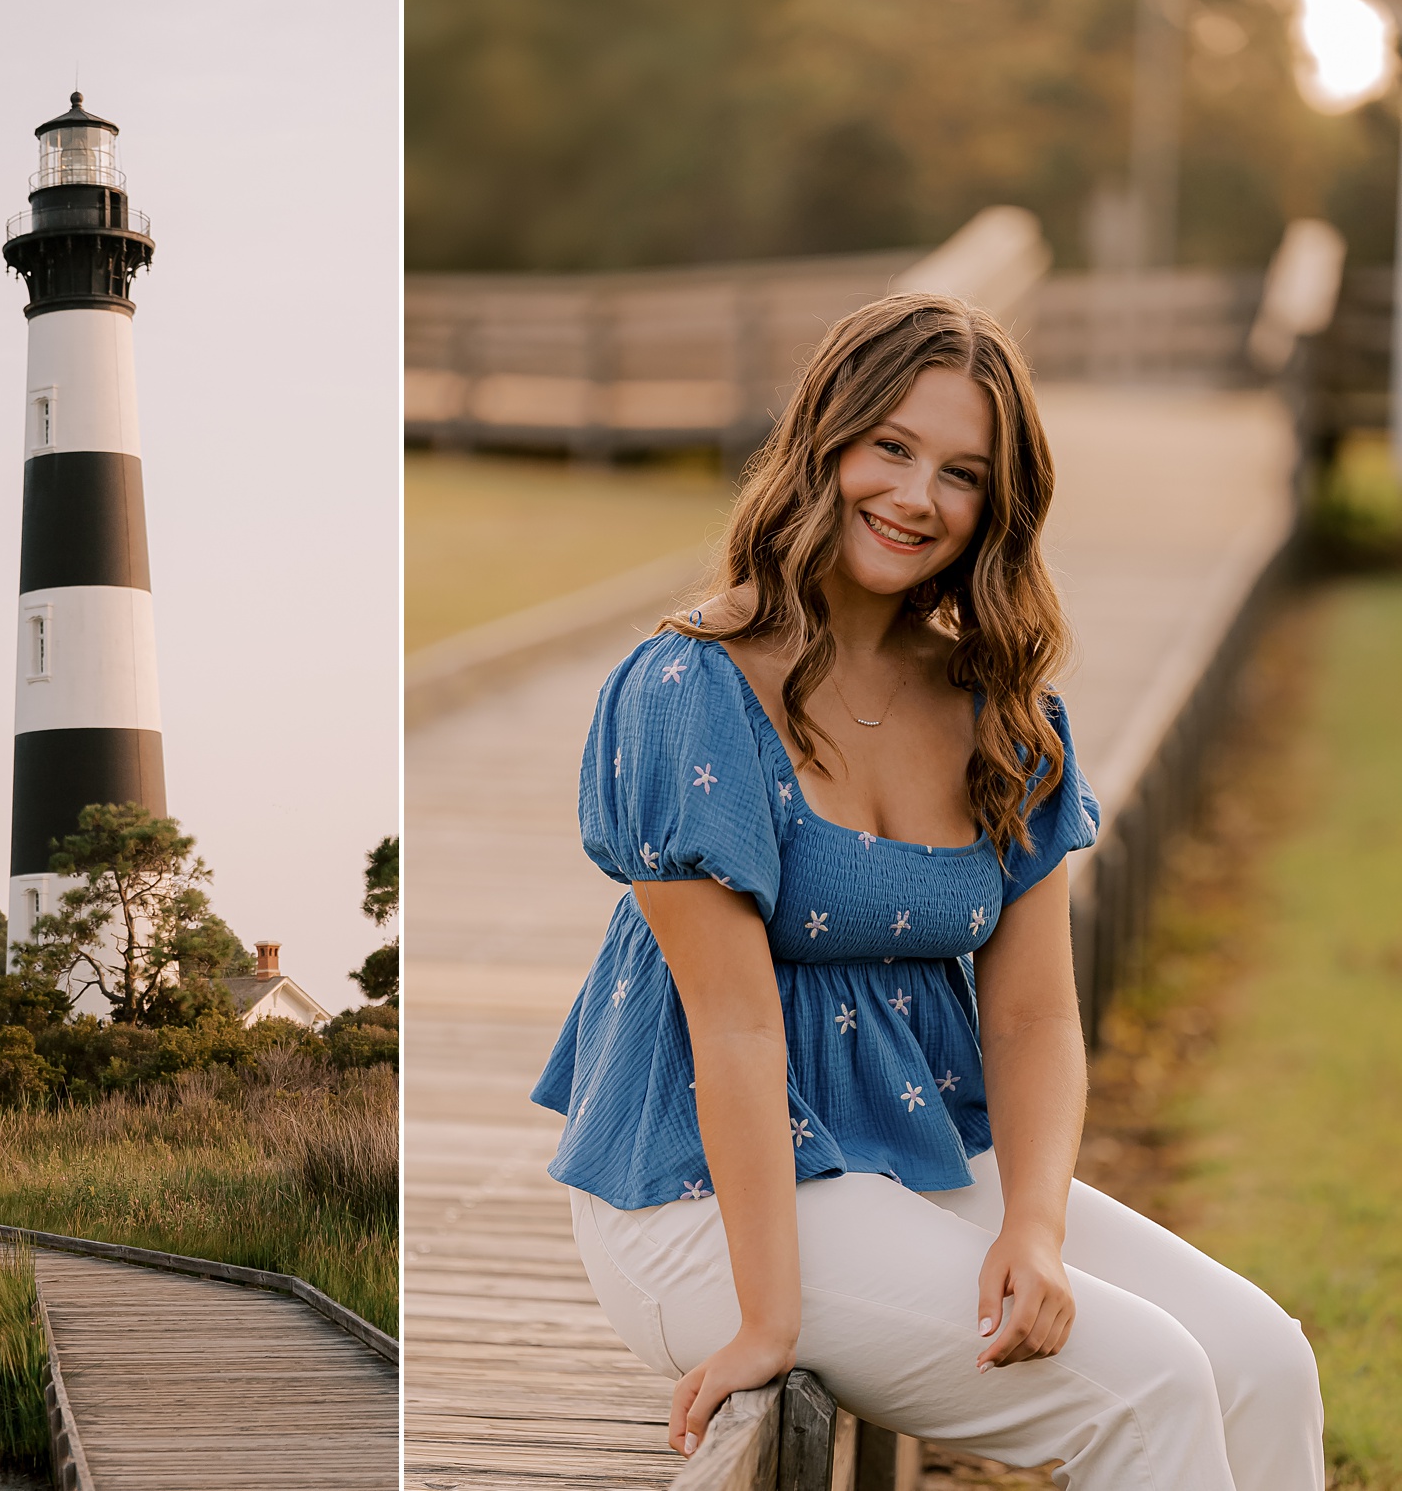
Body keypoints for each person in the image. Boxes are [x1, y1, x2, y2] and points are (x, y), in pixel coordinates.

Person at [531, 294, 1322, 1489]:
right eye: (889, 447)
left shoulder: (999, 708)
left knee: (1261, 1356)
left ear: (992, 510)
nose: (914, 496)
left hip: (913, 1156)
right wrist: (766, 1316)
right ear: (822, 440)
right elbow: (734, 1027)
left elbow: (1032, 1018)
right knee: (1148, 1382)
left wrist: (1033, 1230)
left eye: (959, 472)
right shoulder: (687, 688)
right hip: (699, 1198)